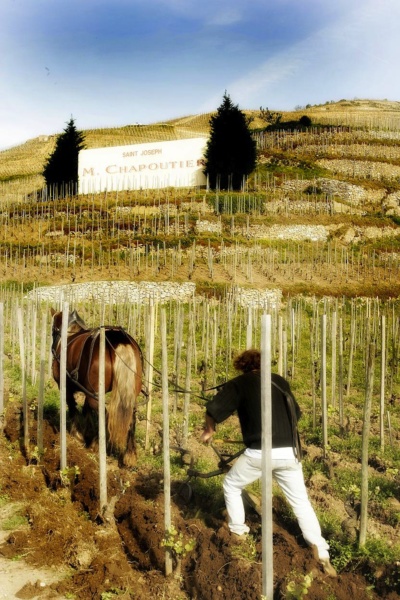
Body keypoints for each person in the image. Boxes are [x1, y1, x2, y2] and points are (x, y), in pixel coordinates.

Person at [200, 348, 337, 577]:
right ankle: (322, 553)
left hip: (260, 453)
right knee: (301, 502)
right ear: (264, 365)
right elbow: (298, 415)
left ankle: (238, 533)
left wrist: (209, 430)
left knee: (232, 485)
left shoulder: (239, 383)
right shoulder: (281, 382)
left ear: (242, 366)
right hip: (290, 453)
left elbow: (212, 409)